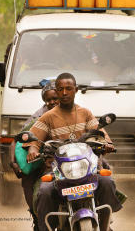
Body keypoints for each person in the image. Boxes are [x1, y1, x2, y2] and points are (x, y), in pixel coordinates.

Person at [25, 72, 122, 231]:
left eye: (68, 88)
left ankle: (105, 223)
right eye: (60, 89)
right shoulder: (47, 117)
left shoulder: (85, 113)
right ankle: (45, 227)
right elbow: (34, 141)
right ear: (56, 91)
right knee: (44, 191)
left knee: (107, 182)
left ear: (76, 90)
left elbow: (100, 133)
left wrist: (107, 143)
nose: (64, 93)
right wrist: (33, 150)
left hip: (87, 168)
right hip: (59, 171)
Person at [9, 80, 59, 231]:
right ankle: (37, 218)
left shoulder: (75, 111)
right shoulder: (39, 117)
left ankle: (104, 219)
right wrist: (14, 163)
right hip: (46, 160)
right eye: (48, 100)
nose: (52, 102)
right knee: (32, 183)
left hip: (72, 158)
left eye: (55, 98)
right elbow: (18, 140)